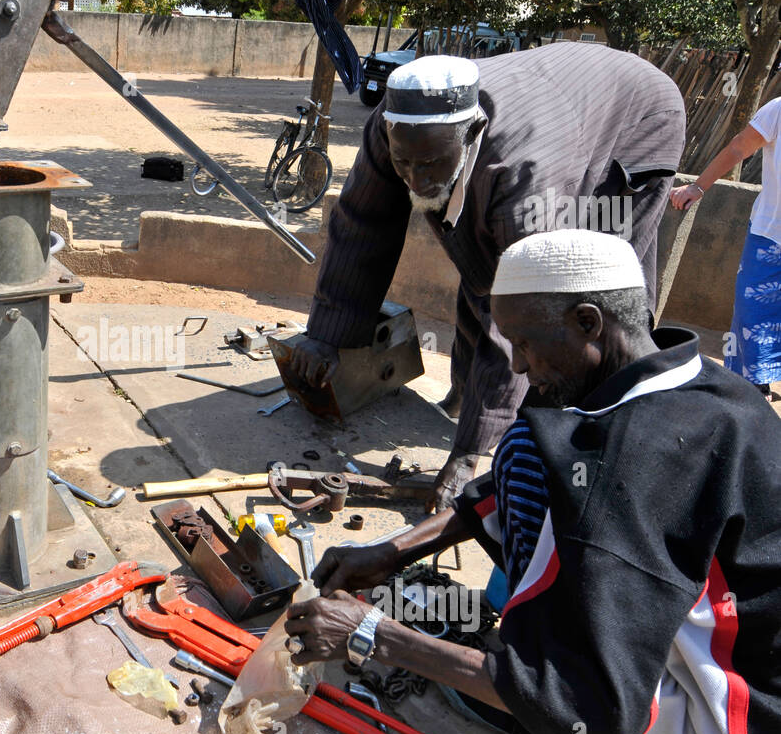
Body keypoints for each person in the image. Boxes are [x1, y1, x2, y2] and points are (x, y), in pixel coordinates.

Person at [287, 230, 781, 734]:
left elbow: (590, 708)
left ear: (589, 322)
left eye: (524, 343)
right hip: (760, 678)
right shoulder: (709, 385)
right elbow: (513, 493)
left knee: (527, 451)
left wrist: (373, 632)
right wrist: (391, 551)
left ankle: (541, 707)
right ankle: (524, 671)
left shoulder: (627, 473)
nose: (518, 367)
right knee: (533, 451)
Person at [289, 43, 686, 510]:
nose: (415, 181)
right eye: (405, 164)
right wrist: (326, 336)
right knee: (481, 265)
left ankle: (600, 432)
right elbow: (362, 225)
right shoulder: (391, 127)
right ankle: (467, 397)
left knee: (592, 292)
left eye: (431, 164)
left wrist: (470, 452)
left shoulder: (524, 178)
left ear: (473, 131)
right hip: (554, 104)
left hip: (637, 120)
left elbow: (521, 313)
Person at [670, 96, 781, 400]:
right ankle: (753, 384)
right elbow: (738, 148)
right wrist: (698, 186)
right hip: (770, 236)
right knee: (752, 312)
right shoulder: (777, 110)